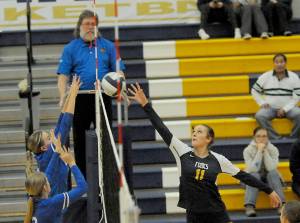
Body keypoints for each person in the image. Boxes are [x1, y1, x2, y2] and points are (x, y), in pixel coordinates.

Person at [128, 83, 281, 223]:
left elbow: (244, 176)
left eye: (199, 131)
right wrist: (145, 104)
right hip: (194, 214)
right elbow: (162, 129)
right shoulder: (182, 152)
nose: (194, 134)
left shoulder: (219, 159)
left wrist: (269, 190)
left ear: (209, 138)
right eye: (193, 131)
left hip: (217, 212)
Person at [57, 10, 125, 177]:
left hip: (102, 97)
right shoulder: (70, 48)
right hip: (79, 98)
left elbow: (119, 72)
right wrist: (62, 97)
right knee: (80, 142)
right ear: (80, 26)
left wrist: (120, 89)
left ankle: (107, 178)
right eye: (87, 24)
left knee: (105, 139)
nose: (90, 27)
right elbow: (63, 75)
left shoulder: (108, 46)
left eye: (93, 24)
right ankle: (84, 181)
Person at [27, 76, 81, 196]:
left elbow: (61, 120)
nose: (52, 138)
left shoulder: (44, 152)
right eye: (49, 138)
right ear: (44, 148)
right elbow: (65, 125)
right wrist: (73, 95)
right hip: (57, 207)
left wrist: (69, 96)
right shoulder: (49, 153)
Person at [23, 145, 88, 223]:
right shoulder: (53, 203)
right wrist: (71, 163)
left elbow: (48, 174)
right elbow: (83, 187)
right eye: (48, 181)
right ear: (44, 187)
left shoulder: (32, 200)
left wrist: (56, 152)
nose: (49, 182)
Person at [252, 53, 300, 139]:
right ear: (273, 63)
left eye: (281, 62)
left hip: (289, 108)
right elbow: (254, 90)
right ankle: (276, 138)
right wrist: (262, 102)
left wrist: (285, 109)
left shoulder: (294, 77)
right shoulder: (265, 76)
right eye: (277, 62)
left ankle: (294, 138)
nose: (279, 64)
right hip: (270, 108)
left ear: (285, 63)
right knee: (260, 115)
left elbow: (297, 96)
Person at [243, 127, 285, 217]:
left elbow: (271, 168)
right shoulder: (247, 150)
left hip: (270, 179)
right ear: (254, 137)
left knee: (273, 173)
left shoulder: (273, 149)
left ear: (268, 137)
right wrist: (259, 151)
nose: (261, 139)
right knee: (254, 175)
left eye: (264, 136)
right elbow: (253, 169)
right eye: (258, 136)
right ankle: (250, 206)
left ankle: (281, 206)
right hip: (253, 178)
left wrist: (265, 151)